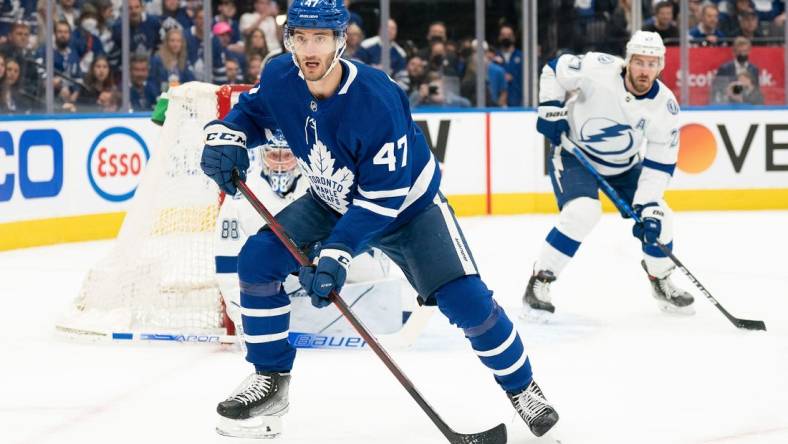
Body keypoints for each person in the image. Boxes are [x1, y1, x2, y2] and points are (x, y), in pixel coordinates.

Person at [199, 0, 559, 439]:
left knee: (467, 302)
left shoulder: (376, 99)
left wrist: (335, 255)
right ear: (289, 38)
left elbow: (382, 198)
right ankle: (270, 381)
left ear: (340, 41)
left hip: (409, 210)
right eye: (301, 37)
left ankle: (523, 389)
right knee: (258, 260)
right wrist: (227, 136)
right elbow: (253, 113)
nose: (309, 49)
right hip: (331, 200)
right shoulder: (281, 75)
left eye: (321, 38)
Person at [524, 31, 695, 318]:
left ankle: (660, 280)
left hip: (624, 166)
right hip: (574, 154)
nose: (645, 70)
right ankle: (540, 279)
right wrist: (551, 107)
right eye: (639, 62)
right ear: (628, 61)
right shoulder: (598, 68)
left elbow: (660, 162)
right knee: (582, 212)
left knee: (661, 219)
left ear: (661, 66)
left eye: (652, 64)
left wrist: (648, 204)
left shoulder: (665, 107)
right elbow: (554, 69)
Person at [711, 36, 760, 104]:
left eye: (745, 51)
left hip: (749, 106)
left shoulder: (754, 69)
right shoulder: (725, 69)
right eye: (739, 52)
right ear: (734, 52)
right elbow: (717, 90)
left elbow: (756, 91)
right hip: (729, 105)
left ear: (749, 51)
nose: (742, 54)